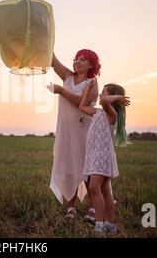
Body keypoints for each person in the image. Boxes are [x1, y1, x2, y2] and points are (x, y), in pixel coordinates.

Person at [47, 49, 100, 220]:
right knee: (68, 167)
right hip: (66, 130)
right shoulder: (68, 76)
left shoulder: (92, 83)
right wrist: (47, 38)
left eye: (82, 59)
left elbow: (81, 103)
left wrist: (62, 91)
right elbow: (53, 60)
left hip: (84, 131)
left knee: (86, 168)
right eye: (76, 59)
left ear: (92, 64)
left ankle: (93, 207)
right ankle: (71, 207)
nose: (77, 62)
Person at [79, 80, 130, 234]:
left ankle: (99, 224)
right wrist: (87, 89)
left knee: (94, 188)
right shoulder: (98, 112)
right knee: (106, 191)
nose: (101, 94)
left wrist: (115, 98)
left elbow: (104, 101)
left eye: (104, 91)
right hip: (94, 155)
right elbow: (81, 106)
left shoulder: (110, 114)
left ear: (112, 98)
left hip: (102, 157)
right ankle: (110, 224)